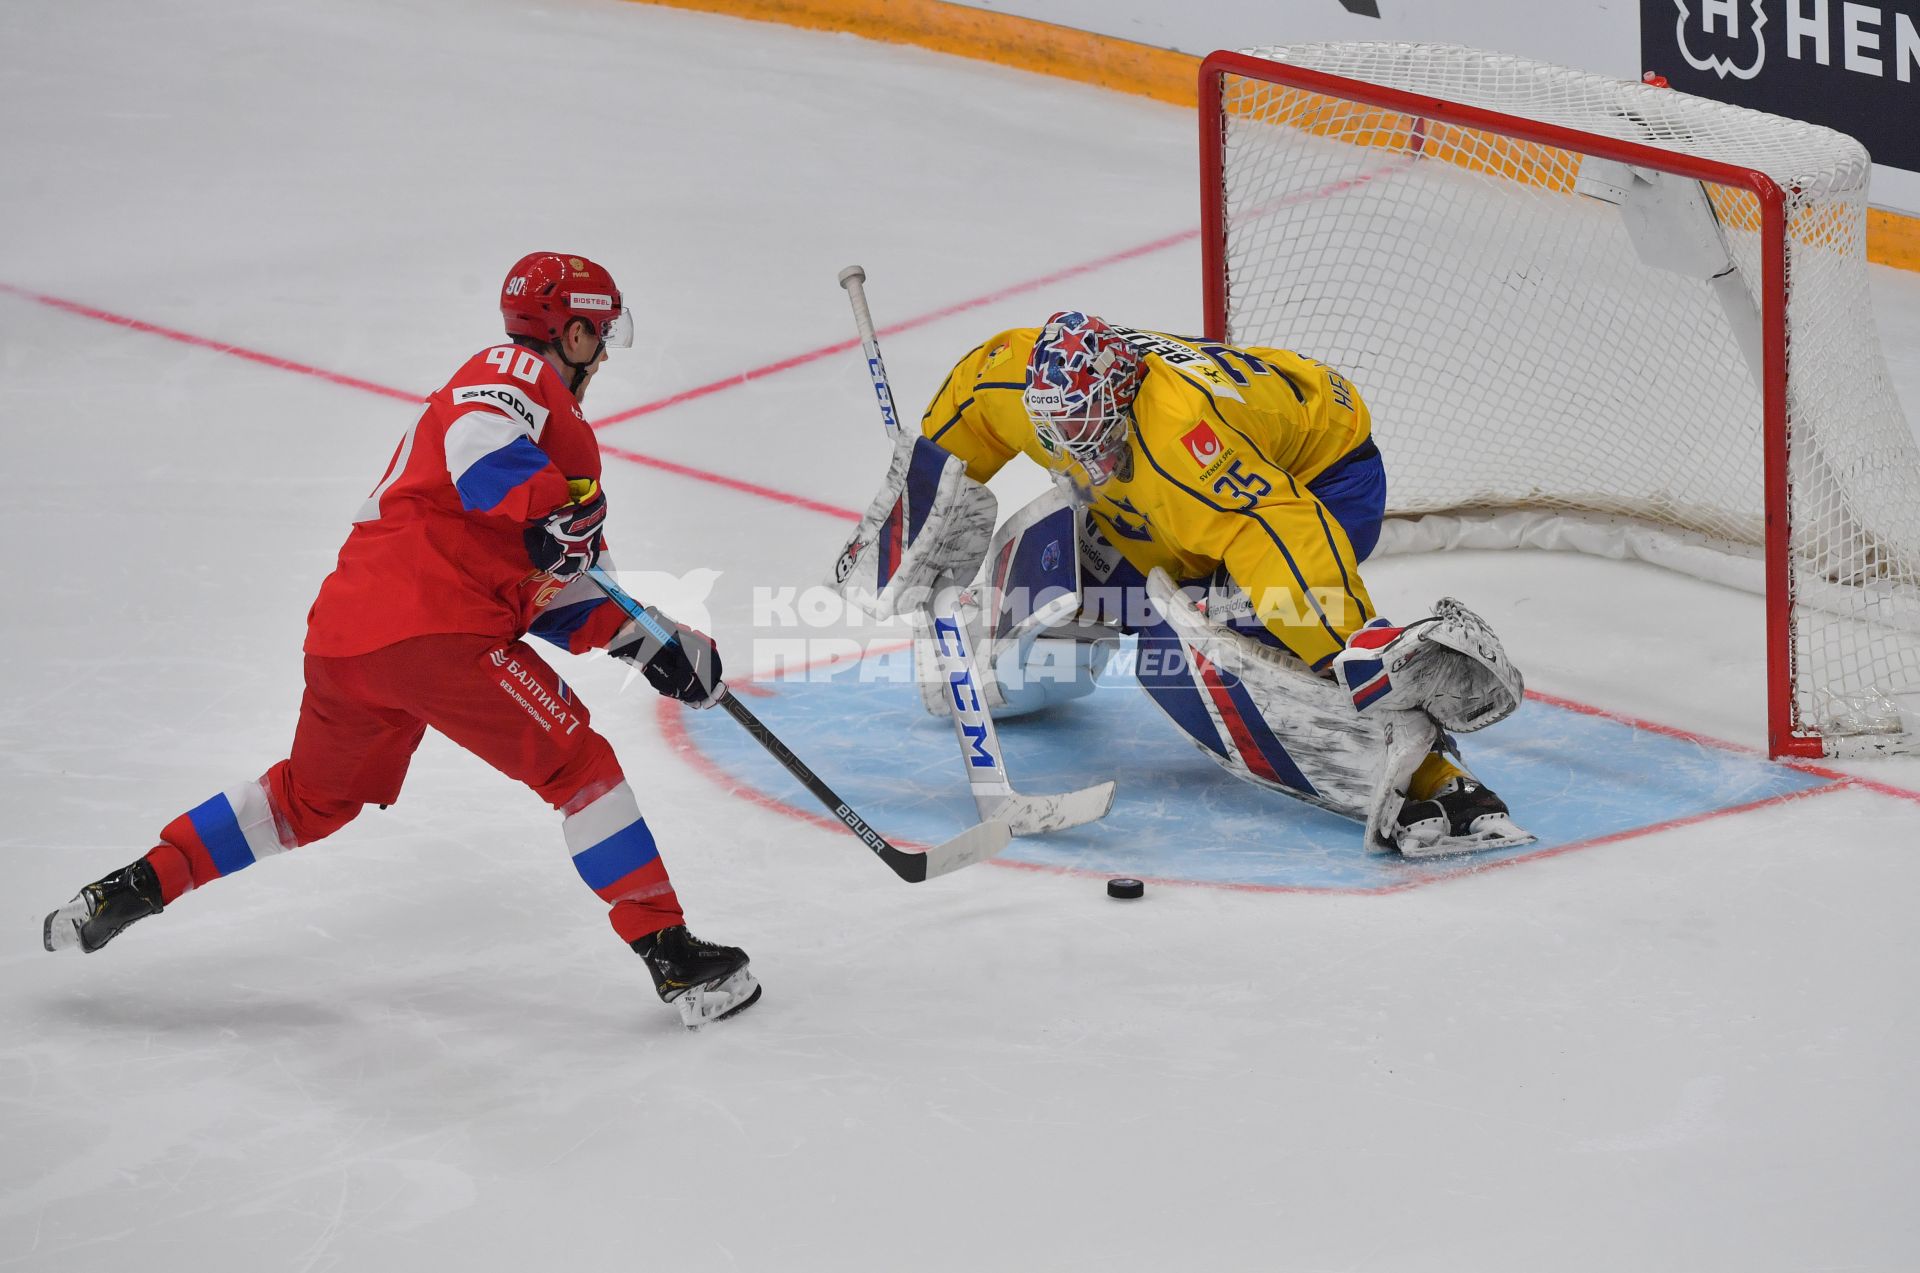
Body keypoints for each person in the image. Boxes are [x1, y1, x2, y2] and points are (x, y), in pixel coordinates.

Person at [43, 252, 761, 1027]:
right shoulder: (513, 370)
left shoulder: (558, 436)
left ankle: (138, 883)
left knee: (308, 799)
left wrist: (655, 643)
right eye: (602, 334)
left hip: (349, 639)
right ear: (577, 332)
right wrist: (549, 509)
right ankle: (676, 961)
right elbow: (480, 448)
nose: (605, 354)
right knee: (580, 766)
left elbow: (563, 587)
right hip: (436, 629)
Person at [893, 311, 1527, 855]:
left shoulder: (1185, 445)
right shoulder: (1016, 374)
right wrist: (916, 526)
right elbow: (966, 415)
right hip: (1205, 476)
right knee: (1072, 571)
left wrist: (1342, 648)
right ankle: (988, 676)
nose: (1082, 457)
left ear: (1126, 394)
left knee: (1197, 654)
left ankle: (1432, 778)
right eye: (1066, 439)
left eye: (1094, 437)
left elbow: (1280, 537)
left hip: (1321, 478)